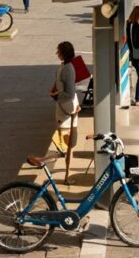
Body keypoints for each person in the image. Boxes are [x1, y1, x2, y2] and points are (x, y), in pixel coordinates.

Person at [50, 41, 80, 184]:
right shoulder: (65, 67)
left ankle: (67, 175)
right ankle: (66, 174)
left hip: (67, 109)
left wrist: (56, 95)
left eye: (59, 51)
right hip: (65, 109)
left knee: (68, 145)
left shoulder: (68, 69)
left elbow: (69, 92)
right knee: (67, 144)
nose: (57, 53)